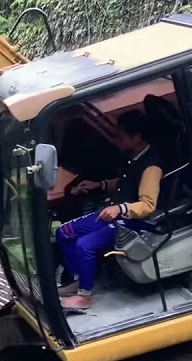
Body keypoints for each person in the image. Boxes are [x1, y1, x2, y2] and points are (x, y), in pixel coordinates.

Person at [56, 111, 164, 310]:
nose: (115, 140)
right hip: (116, 213)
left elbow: (148, 205)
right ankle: (79, 280)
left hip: (136, 222)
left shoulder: (151, 166)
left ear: (137, 137)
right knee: (64, 232)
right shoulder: (132, 157)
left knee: (84, 245)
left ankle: (84, 297)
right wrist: (101, 185)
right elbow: (126, 183)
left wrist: (120, 208)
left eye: (120, 136)